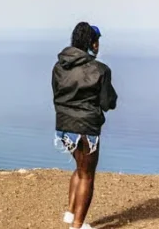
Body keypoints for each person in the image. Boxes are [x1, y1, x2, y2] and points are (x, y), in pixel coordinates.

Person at [52, 23, 118, 229]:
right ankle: (78, 226)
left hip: (63, 127)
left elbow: (57, 94)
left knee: (80, 169)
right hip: (86, 129)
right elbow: (108, 103)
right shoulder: (100, 70)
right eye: (97, 42)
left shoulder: (59, 66)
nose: (98, 46)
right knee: (87, 175)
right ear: (92, 43)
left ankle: (71, 214)